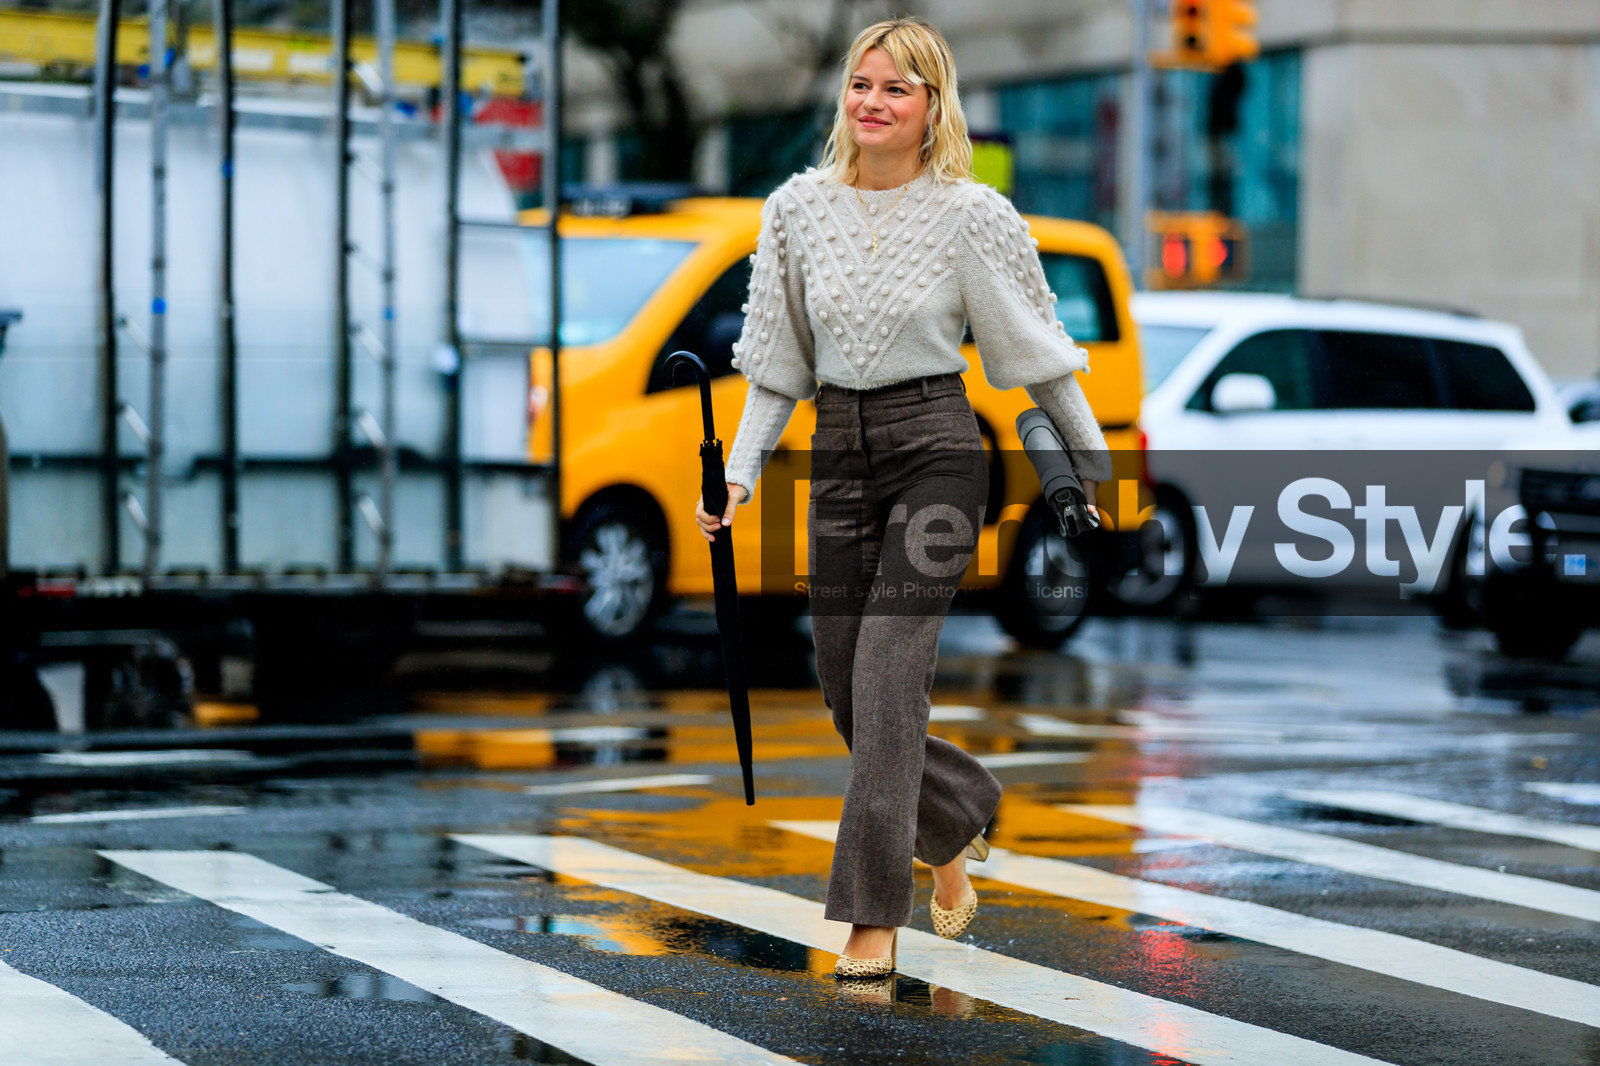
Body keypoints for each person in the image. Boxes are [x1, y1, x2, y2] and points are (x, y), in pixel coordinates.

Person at [693, 16, 1110, 979]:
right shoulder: (796, 212)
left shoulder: (971, 215)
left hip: (936, 451)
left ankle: (869, 926)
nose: (873, 102)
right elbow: (773, 369)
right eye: (861, 85)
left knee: (887, 675)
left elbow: (1038, 362)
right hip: (837, 448)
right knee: (845, 687)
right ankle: (956, 823)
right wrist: (741, 474)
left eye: (897, 88)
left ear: (933, 107)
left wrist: (1097, 468)